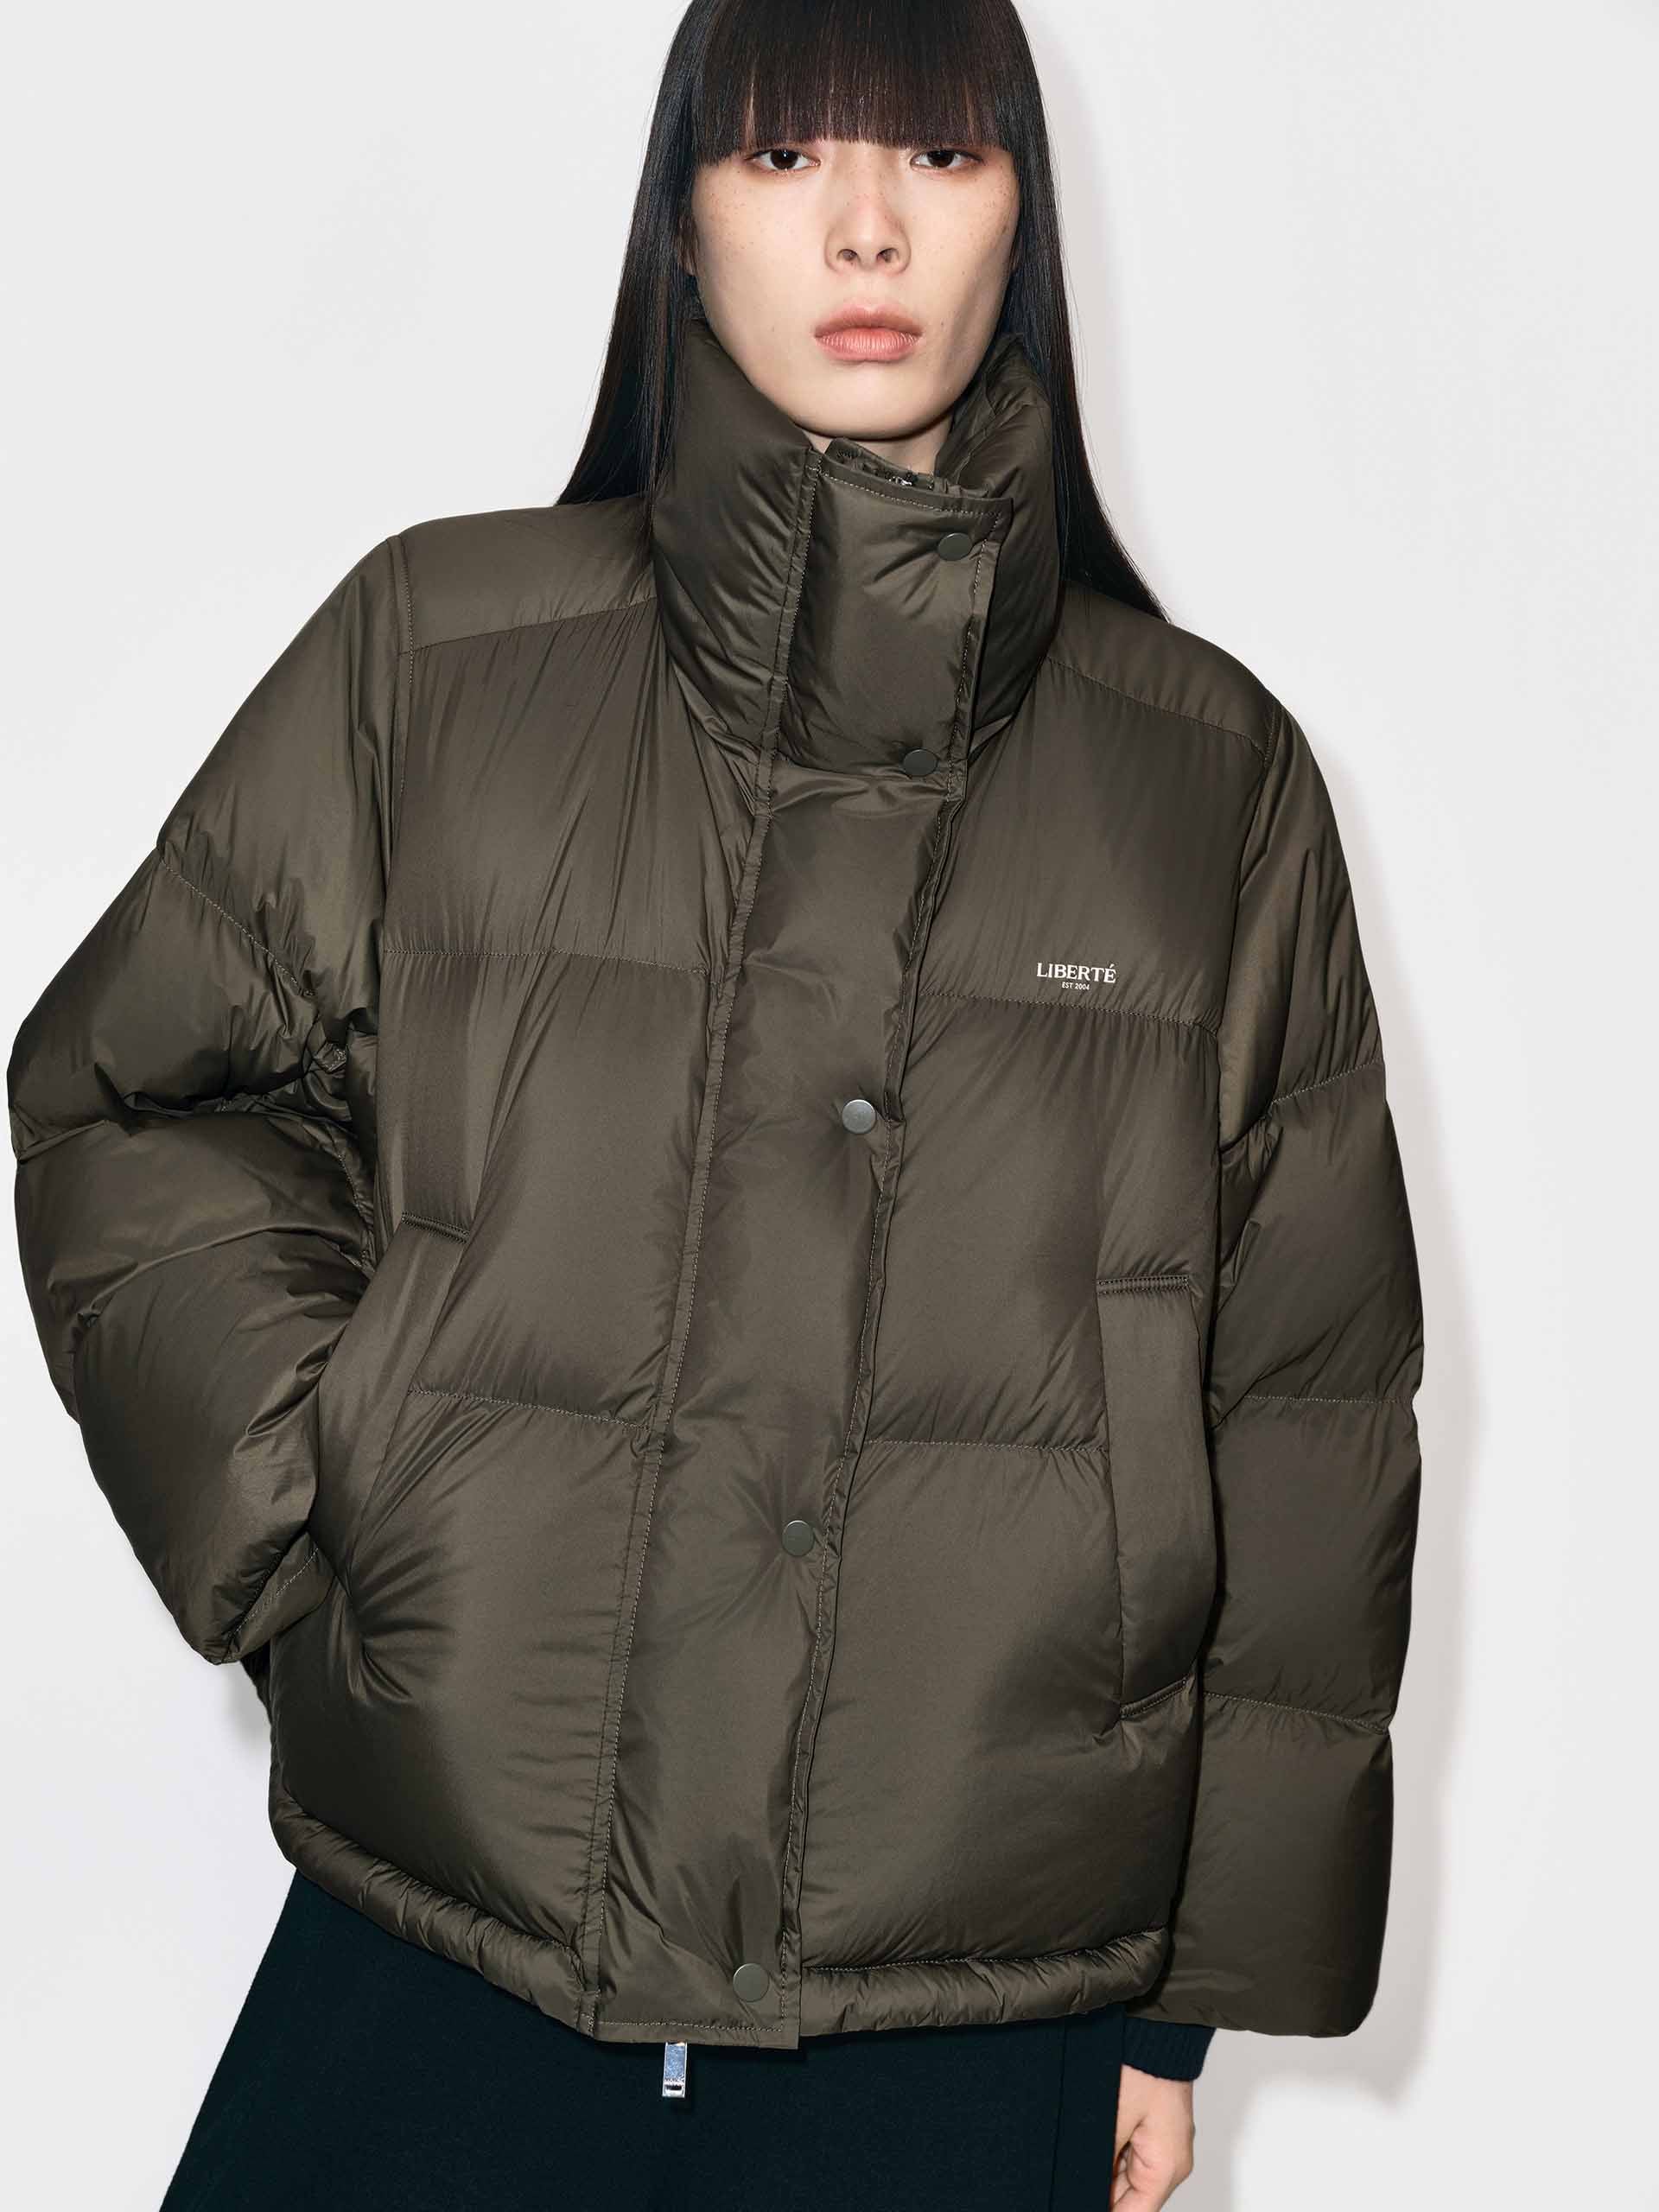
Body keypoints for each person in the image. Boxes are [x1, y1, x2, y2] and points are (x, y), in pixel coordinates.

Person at [6, 3, 1425, 2207]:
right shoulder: (442, 660)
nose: (867, 228)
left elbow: (1306, 1402)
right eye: (782, 158)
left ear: (1024, 216)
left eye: (939, 156)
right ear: (679, 218)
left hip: (969, 2003)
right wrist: (331, 1488)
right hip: (446, 1944)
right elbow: (132, 1088)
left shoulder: (1206, 784)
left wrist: (1181, 2007)